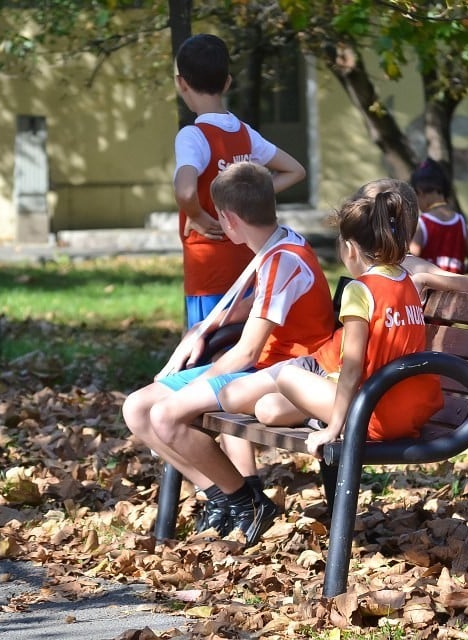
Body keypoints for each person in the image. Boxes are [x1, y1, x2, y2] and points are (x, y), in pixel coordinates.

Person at [122, 162, 333, 547]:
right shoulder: (273, 246)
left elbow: (247, 351)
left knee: (166, 416)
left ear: (229, 219)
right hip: (259, 367)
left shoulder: (283, 258)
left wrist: (201, 381)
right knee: (136, 409)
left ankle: (246, 503)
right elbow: (251, 303)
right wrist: (202, 330)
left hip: (283, 371)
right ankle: (225, 498)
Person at [218, 184, 445, 457]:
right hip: (404, 412)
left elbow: (351, 368)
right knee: (269, 408)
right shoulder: (406, 280)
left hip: (371, 412)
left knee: (287, 375)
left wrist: (333, 429)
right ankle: (322, 417)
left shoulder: (361, 290)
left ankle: (329, 420)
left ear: (350, 249)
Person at [172, 34, 306, 328]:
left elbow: (184, 190)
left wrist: (196, 214)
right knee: (238, 342)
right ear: (227, 82)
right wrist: (255, 193)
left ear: (181, 82)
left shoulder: (192, 136)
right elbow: (295, 170)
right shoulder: (245, 133)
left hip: (207, 269)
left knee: (204, 343)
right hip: (247, 261)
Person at [409, 159, 468, 275]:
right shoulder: (459, 221)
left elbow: (413, 255)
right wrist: (457, 274)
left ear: (420, 192)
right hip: (456, 290)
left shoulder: (423, 222)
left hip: (430, 291)